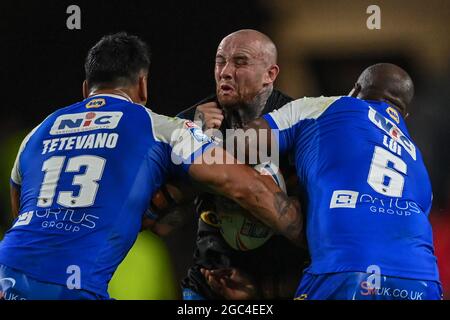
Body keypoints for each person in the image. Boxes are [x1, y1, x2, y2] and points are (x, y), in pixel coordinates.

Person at [0, 32, 302, 300]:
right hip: (71, 287)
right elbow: (245, 186)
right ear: (142, 85)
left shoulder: (37, 132)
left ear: (85, 89)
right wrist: (308, 234)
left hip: (8, 270)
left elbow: (23, 215)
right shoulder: (162, 128)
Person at [231, 63, 442, 300]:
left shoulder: (326, 106)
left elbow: (241, 144)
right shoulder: (417, 160)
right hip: (422, 279)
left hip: (346, 269)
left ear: (355, 89)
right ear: (404, 115)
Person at [152, 29, 309, 300]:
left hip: (278, 284)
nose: (224, 71)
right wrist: (192, 139)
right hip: (211, 281)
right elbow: (159, 211)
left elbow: (317, 214)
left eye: (240, 62)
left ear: (269, 74)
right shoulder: (191, 122)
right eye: (219, 61)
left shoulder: (298, 123)